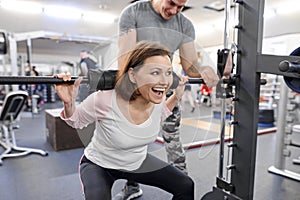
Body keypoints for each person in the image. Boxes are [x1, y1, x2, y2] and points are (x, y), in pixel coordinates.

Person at [54, 41, 194, 200]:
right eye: (155, 72)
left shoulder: (156, 98)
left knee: (185, 185)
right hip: (100, 164)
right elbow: (76, 121)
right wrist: (69, 103)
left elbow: (161, 112)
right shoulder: (105, 99)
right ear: (133, 75)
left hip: (136, 163)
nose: (164, 81)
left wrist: (177, 96)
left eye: (168, 73)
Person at [117, 0, 220, 198]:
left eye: (180, 6)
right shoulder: (133, 12)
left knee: (173, 139)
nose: (174, 11)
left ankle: (183, 188)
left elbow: (190, 66)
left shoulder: (184, 24)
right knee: (133, 141)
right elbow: (125, 58)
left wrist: (205, 69)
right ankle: (132, 185)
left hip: (165, 86)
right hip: (136, 87)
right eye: (171, 3)